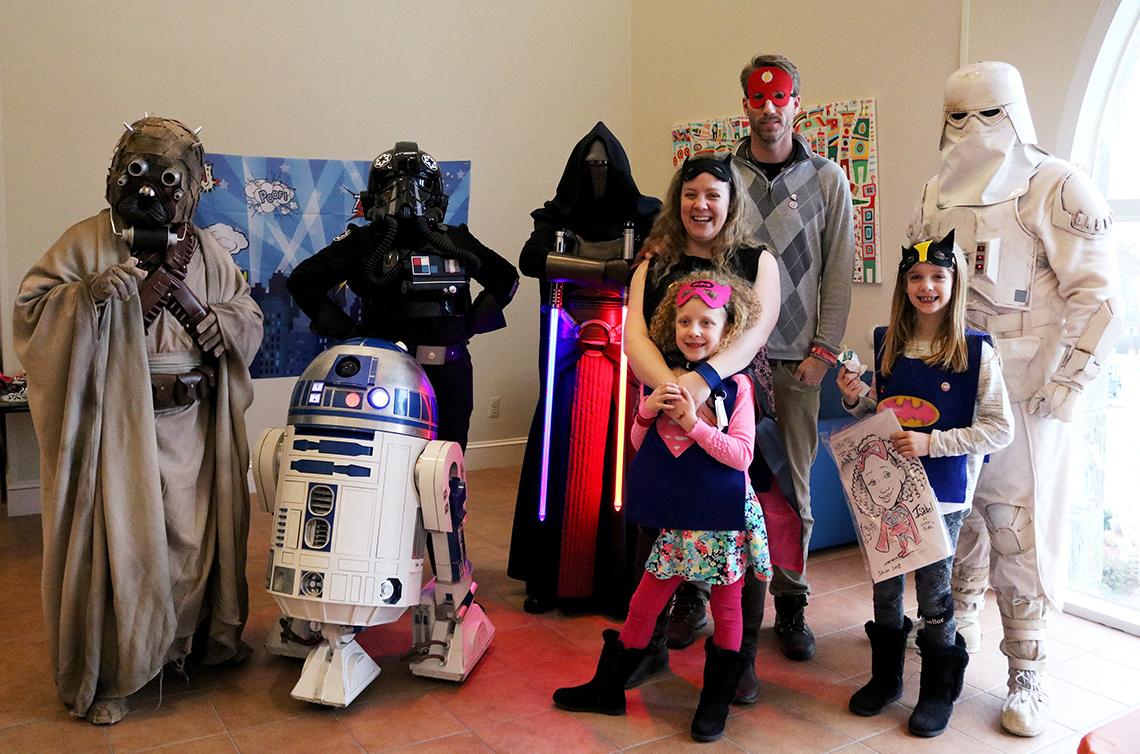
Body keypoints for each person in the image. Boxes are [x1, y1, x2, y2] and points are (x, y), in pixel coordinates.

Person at [13, 116, 264, 725]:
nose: (150, 187)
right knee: (123, 551)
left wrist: (223, 323)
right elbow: (32, 313)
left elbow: (246, 313)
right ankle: (118, 672)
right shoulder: (83, 242)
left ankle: (188, 646)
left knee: (190, 546)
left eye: (167, 176)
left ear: (192, 185)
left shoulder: (205, 249)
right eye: (137, 171)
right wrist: (91, 296)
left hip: (194, 429)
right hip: (114, 433)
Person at [908, 61, 1121, 736]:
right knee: (958, 518)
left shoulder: (1053, 185)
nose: (971, 131)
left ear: (1015, 112)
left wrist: (1070, 379)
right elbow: (920, 287)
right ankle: (956, 628)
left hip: (1025, 390)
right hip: (952, 381)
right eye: (957, 116)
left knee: (1015, 530)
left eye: (986, 114)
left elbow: (1100, 295)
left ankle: (1029, 671)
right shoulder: (936, 193)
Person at [553, 269, 771, 743]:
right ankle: (608, 688)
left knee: (728, 608)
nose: (694, 332)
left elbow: (742, 457)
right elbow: (639, 444)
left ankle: (715, 703)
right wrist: (648, 410)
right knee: (645, 600)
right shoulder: (663, 378)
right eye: (685, 322)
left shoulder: (739, 389)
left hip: (720, 518)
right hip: (678, 516)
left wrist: (695, 424)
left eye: (706, 323)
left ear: (726, 329)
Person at [623, 154, 789, 706]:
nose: (702, 205)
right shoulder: (654, 262)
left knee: (740, 534)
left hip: (734, 404)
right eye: (691, 194)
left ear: (731, 202)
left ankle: (738, 660)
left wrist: (703, 381)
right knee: (659, 525)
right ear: (678, 202)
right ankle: (646, 647)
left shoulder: (756, 260)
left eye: (713, 195)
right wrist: (670, 388)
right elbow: (635, 336)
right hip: (665, 400)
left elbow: (756, 331)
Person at [838, 232, 1013, 736]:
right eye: (916, 277)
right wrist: (856, 398)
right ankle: (886, 678)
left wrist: (933, 444)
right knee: (885, 587)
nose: (927, 285)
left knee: (935, 592)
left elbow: (1000, 428)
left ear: (954, 282)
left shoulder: (975, 351)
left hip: (942, 490)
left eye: (938, 276)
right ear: (904, 284)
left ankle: (938, 688)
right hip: (886, 488)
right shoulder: (887, 342)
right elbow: (886, 414)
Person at [725, 53, 856, 663]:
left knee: (794, 489)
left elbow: (839, 274)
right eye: (758, 97)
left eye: (780, 98)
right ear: (746, 103)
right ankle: (711, 594)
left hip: (798, 361)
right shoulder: (723, 178)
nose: (769, 108)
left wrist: (824, 353)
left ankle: (792, 603)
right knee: (722, 480)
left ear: (797, 103)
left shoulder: (829, 180)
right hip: (727, 359)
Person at [507, 122, 661, 618]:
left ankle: (617, 580)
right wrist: (603, 271)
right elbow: (534, 261)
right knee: (558, 455)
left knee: (620, 462)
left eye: (604, 165)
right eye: (589, 165)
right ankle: (551, 577)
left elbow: (658, 272)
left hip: (625, 353)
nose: (597, 173)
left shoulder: (648, 216)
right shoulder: (553, 218)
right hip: (568, 348)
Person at [287, 141, 519, 449]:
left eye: (418, 185)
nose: (406, 194)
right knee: (385, 457)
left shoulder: (454, 239)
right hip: (385, 375)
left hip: (449, 371)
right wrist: (350, 334)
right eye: (392, 185)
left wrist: (470, 325)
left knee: (447, 459)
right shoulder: (364, 243)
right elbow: (304, 280)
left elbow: (505, 277)